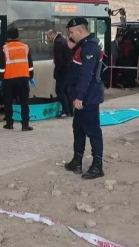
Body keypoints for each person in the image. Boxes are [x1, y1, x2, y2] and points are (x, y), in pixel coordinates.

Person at [64, 18, 105, 180]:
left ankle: (97, 164)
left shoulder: (90, 48)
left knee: (93, 130)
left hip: (88, 97)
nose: (70, 35)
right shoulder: (83, 45)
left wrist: (79, 97)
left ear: (80, 31)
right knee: (78, 128)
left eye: (72, 32)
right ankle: (77, 159)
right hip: (81, 96)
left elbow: (86, 75)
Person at [0, 27, 35, 131]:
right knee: (24, 102)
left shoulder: (4, 48)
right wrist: (31, 77)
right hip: (23, 78)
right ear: (18, 36)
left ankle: (9, 123)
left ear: (8, 36)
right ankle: (25, 125)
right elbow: (30, 64)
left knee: (8, 102)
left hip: (9, 79)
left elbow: (1, 66)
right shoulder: (25, 47)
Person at [48, 29, 73, 117]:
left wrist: (57, 71)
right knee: (66, 91)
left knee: (59, 91)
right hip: (67, 71)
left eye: (48, 37)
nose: (48, 39)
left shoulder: (58, 42)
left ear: (52, 35)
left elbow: (58, 60)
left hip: (62, 72)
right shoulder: (62, 40)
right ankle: (71, 111)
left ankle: (65, 111)